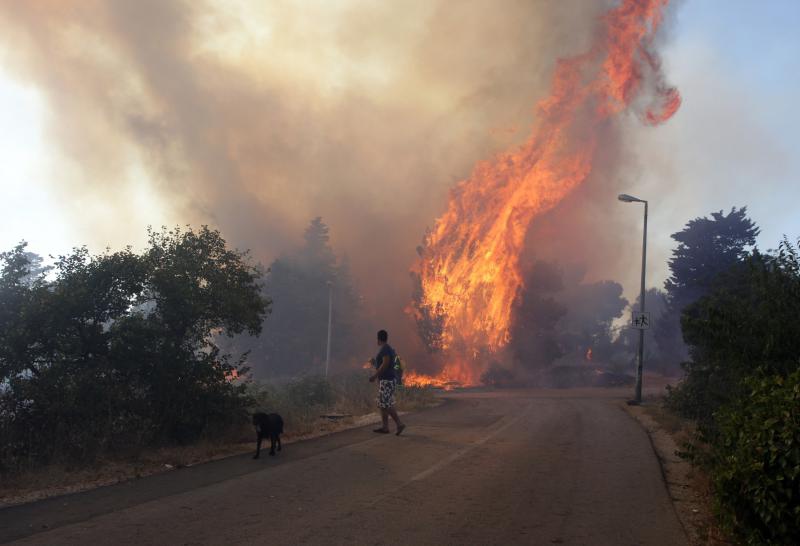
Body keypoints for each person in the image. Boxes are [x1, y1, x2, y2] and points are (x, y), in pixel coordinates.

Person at [369, 329, 405, 435]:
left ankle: (399, 424)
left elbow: (385, 364)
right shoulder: (387, 349)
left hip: (387, 381)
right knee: (382, 404)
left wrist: (375, 376)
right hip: (386, 380)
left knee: (386, 404)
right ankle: (385, 427)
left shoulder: (385, 349)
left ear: (379, 339)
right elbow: (384, 364)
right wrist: (375, 363)